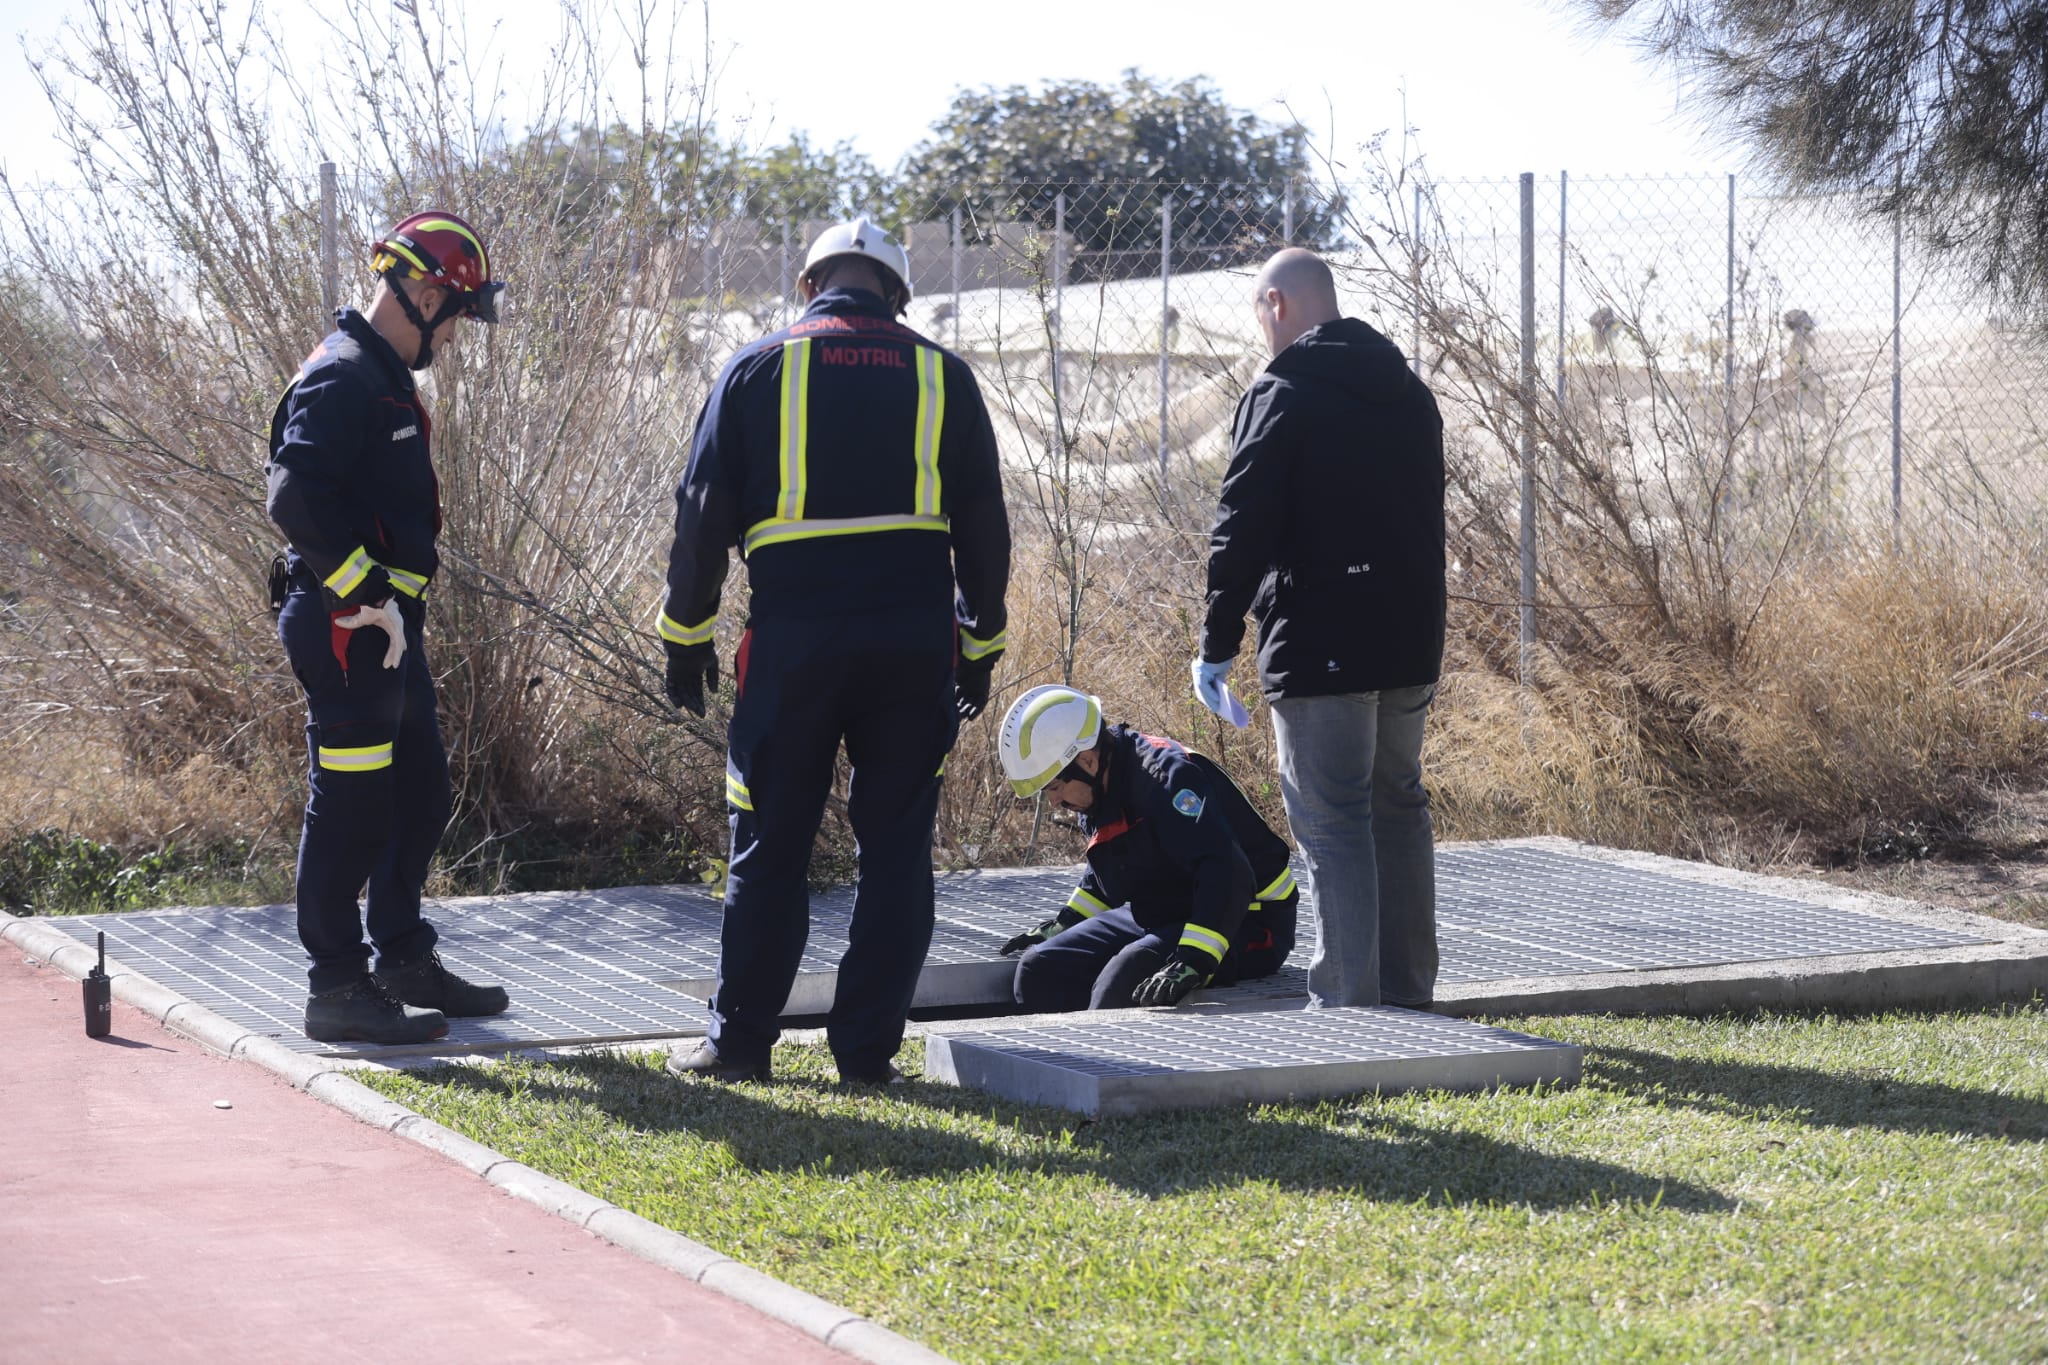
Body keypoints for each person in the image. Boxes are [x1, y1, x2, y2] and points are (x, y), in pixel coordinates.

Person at [661, 217, 1010, 1085]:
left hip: (793, 645)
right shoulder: (944, 376)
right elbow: (987, 530)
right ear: (897, 294)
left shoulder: (754, 368)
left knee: (769, 845)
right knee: (896, 851)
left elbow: (701, 513)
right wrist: (980, 649)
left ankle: (737, 1044)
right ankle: (867, 1055)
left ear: (809, 287)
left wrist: (685, 631)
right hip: (911, 645)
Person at [266, 211, 512, 1044]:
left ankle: (402, 954)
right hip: (348, 626)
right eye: (459, 313)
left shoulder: (380, 374)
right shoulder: (342, 377)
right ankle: (336, 986)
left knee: (421, 788)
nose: (459, 335)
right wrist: (364, 591)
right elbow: (292, 497)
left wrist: (389, 607)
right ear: (427, 292)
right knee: (352, 808)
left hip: (385, 628)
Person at [1192, 247, 1446, 1010]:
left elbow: (1242, 525)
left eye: (1259, 317)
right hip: (1409, 636)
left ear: (1276, 305)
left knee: (1332, 816)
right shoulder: (1409, 392)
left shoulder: (1284, 392)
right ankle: (1408, 998)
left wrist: (1216, 641)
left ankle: (1349, 1010)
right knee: (1397, 804)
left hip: (1321, 640)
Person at [995, 686, 1297, 1011]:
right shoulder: (1100, 788)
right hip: (1166, 910)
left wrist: (1193, 959)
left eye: (1054, 786)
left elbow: (1228, 872)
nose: (1053, 800)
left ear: (1088, 761)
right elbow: (1111, 869)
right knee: (1038, 970)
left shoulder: (1167, 780)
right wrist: (1065, 923)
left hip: (1248, 921)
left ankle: (1103, 1059)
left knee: (1122, 981)